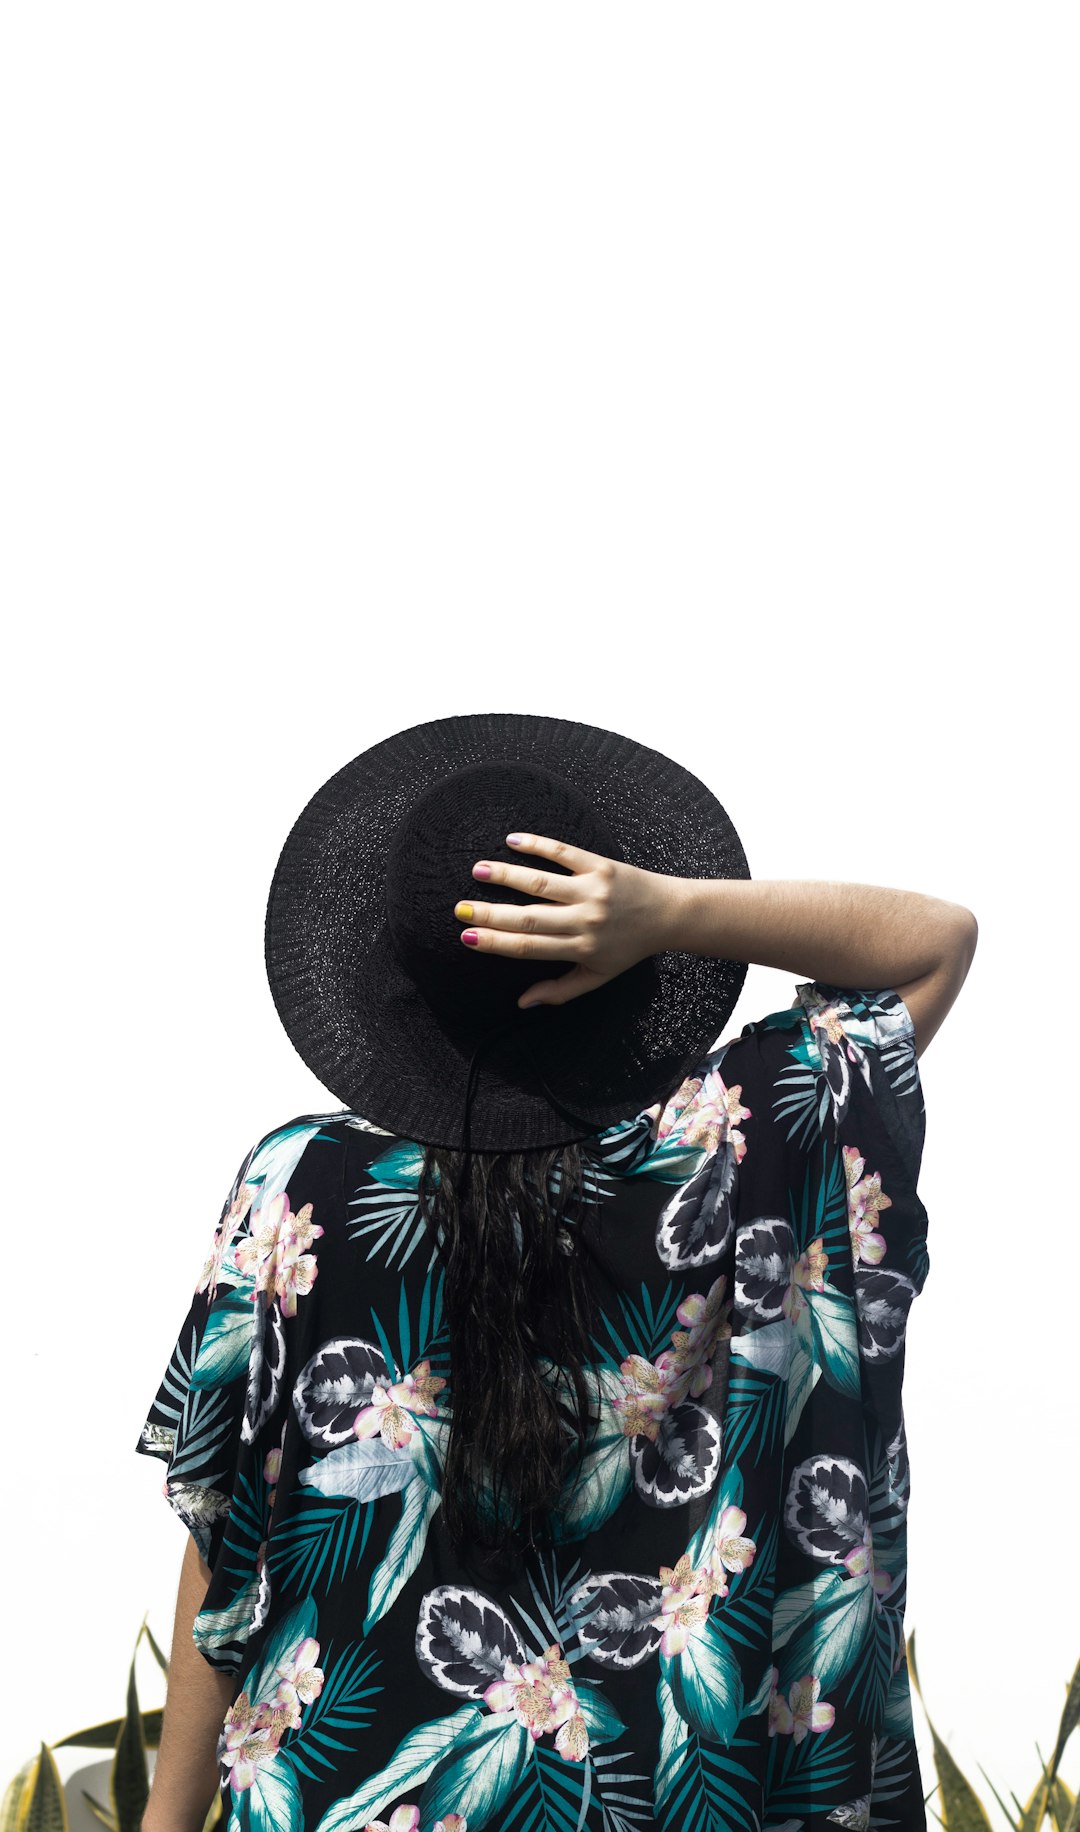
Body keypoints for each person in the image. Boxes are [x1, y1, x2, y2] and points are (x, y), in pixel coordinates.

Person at [137, 712, 976, 1832]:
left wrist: (161, 1821)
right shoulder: (731, 1149)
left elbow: (221, 1552)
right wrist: (678, 909)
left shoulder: (302, 1187)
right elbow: (936, 939)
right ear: (623, 963)